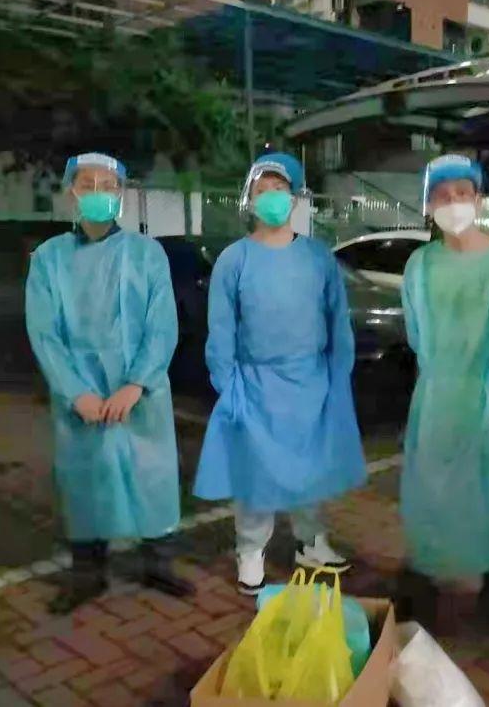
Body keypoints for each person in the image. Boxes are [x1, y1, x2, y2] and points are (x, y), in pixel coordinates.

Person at [25, 152, 194, 614]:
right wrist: (75, 391)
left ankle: (158, 565)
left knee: (152, 475)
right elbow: (44, 333)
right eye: (88, 184)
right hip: (80, 395)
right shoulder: (49, 259)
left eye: (108, 184)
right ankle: (88, 574)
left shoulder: (147, 253)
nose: (99, 193)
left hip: (141, 392)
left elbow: (161, 326)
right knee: (86, 480)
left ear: (121, 193)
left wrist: (136, 384)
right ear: (71, 192)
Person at [194, 152, 366, 595]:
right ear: (249, 198)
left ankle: (311, 541)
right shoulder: (234, 259)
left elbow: (337, 322)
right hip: (255, 385)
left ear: (295, 197)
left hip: (311, 381)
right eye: (262, 188)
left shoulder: (318, 258)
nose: (271, 195)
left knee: (310, 469)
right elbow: (221, 329)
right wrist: (227, 385)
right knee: (256, 473)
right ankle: (251, 551)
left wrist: (337, 377)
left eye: (280, 188)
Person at [397, 154, 489, 637]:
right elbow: (418, 333)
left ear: (478, 199)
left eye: (462, 193)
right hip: (438, 392)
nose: (453, 202)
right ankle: (424, 580)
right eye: (441, 195)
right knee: (431, 490)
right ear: (428, 204)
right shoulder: (421, 264)